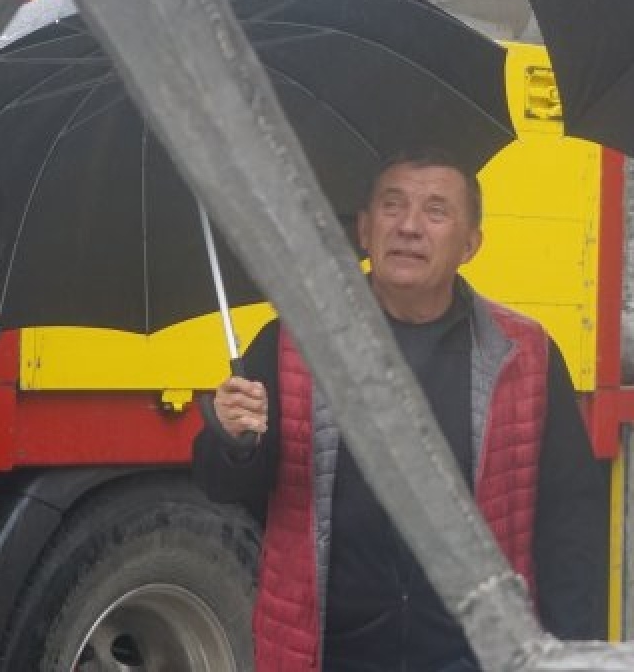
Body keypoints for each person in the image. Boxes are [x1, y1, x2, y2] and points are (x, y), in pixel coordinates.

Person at [194, 148, 607, 672]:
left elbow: (569, 523)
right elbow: (225, 487)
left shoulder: (525, 356)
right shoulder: (293, 344)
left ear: (471, 245)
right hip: (329, 653)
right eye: (392, 205)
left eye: (436, 211)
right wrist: (232, 442)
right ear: (365, 231)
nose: (409, 226)